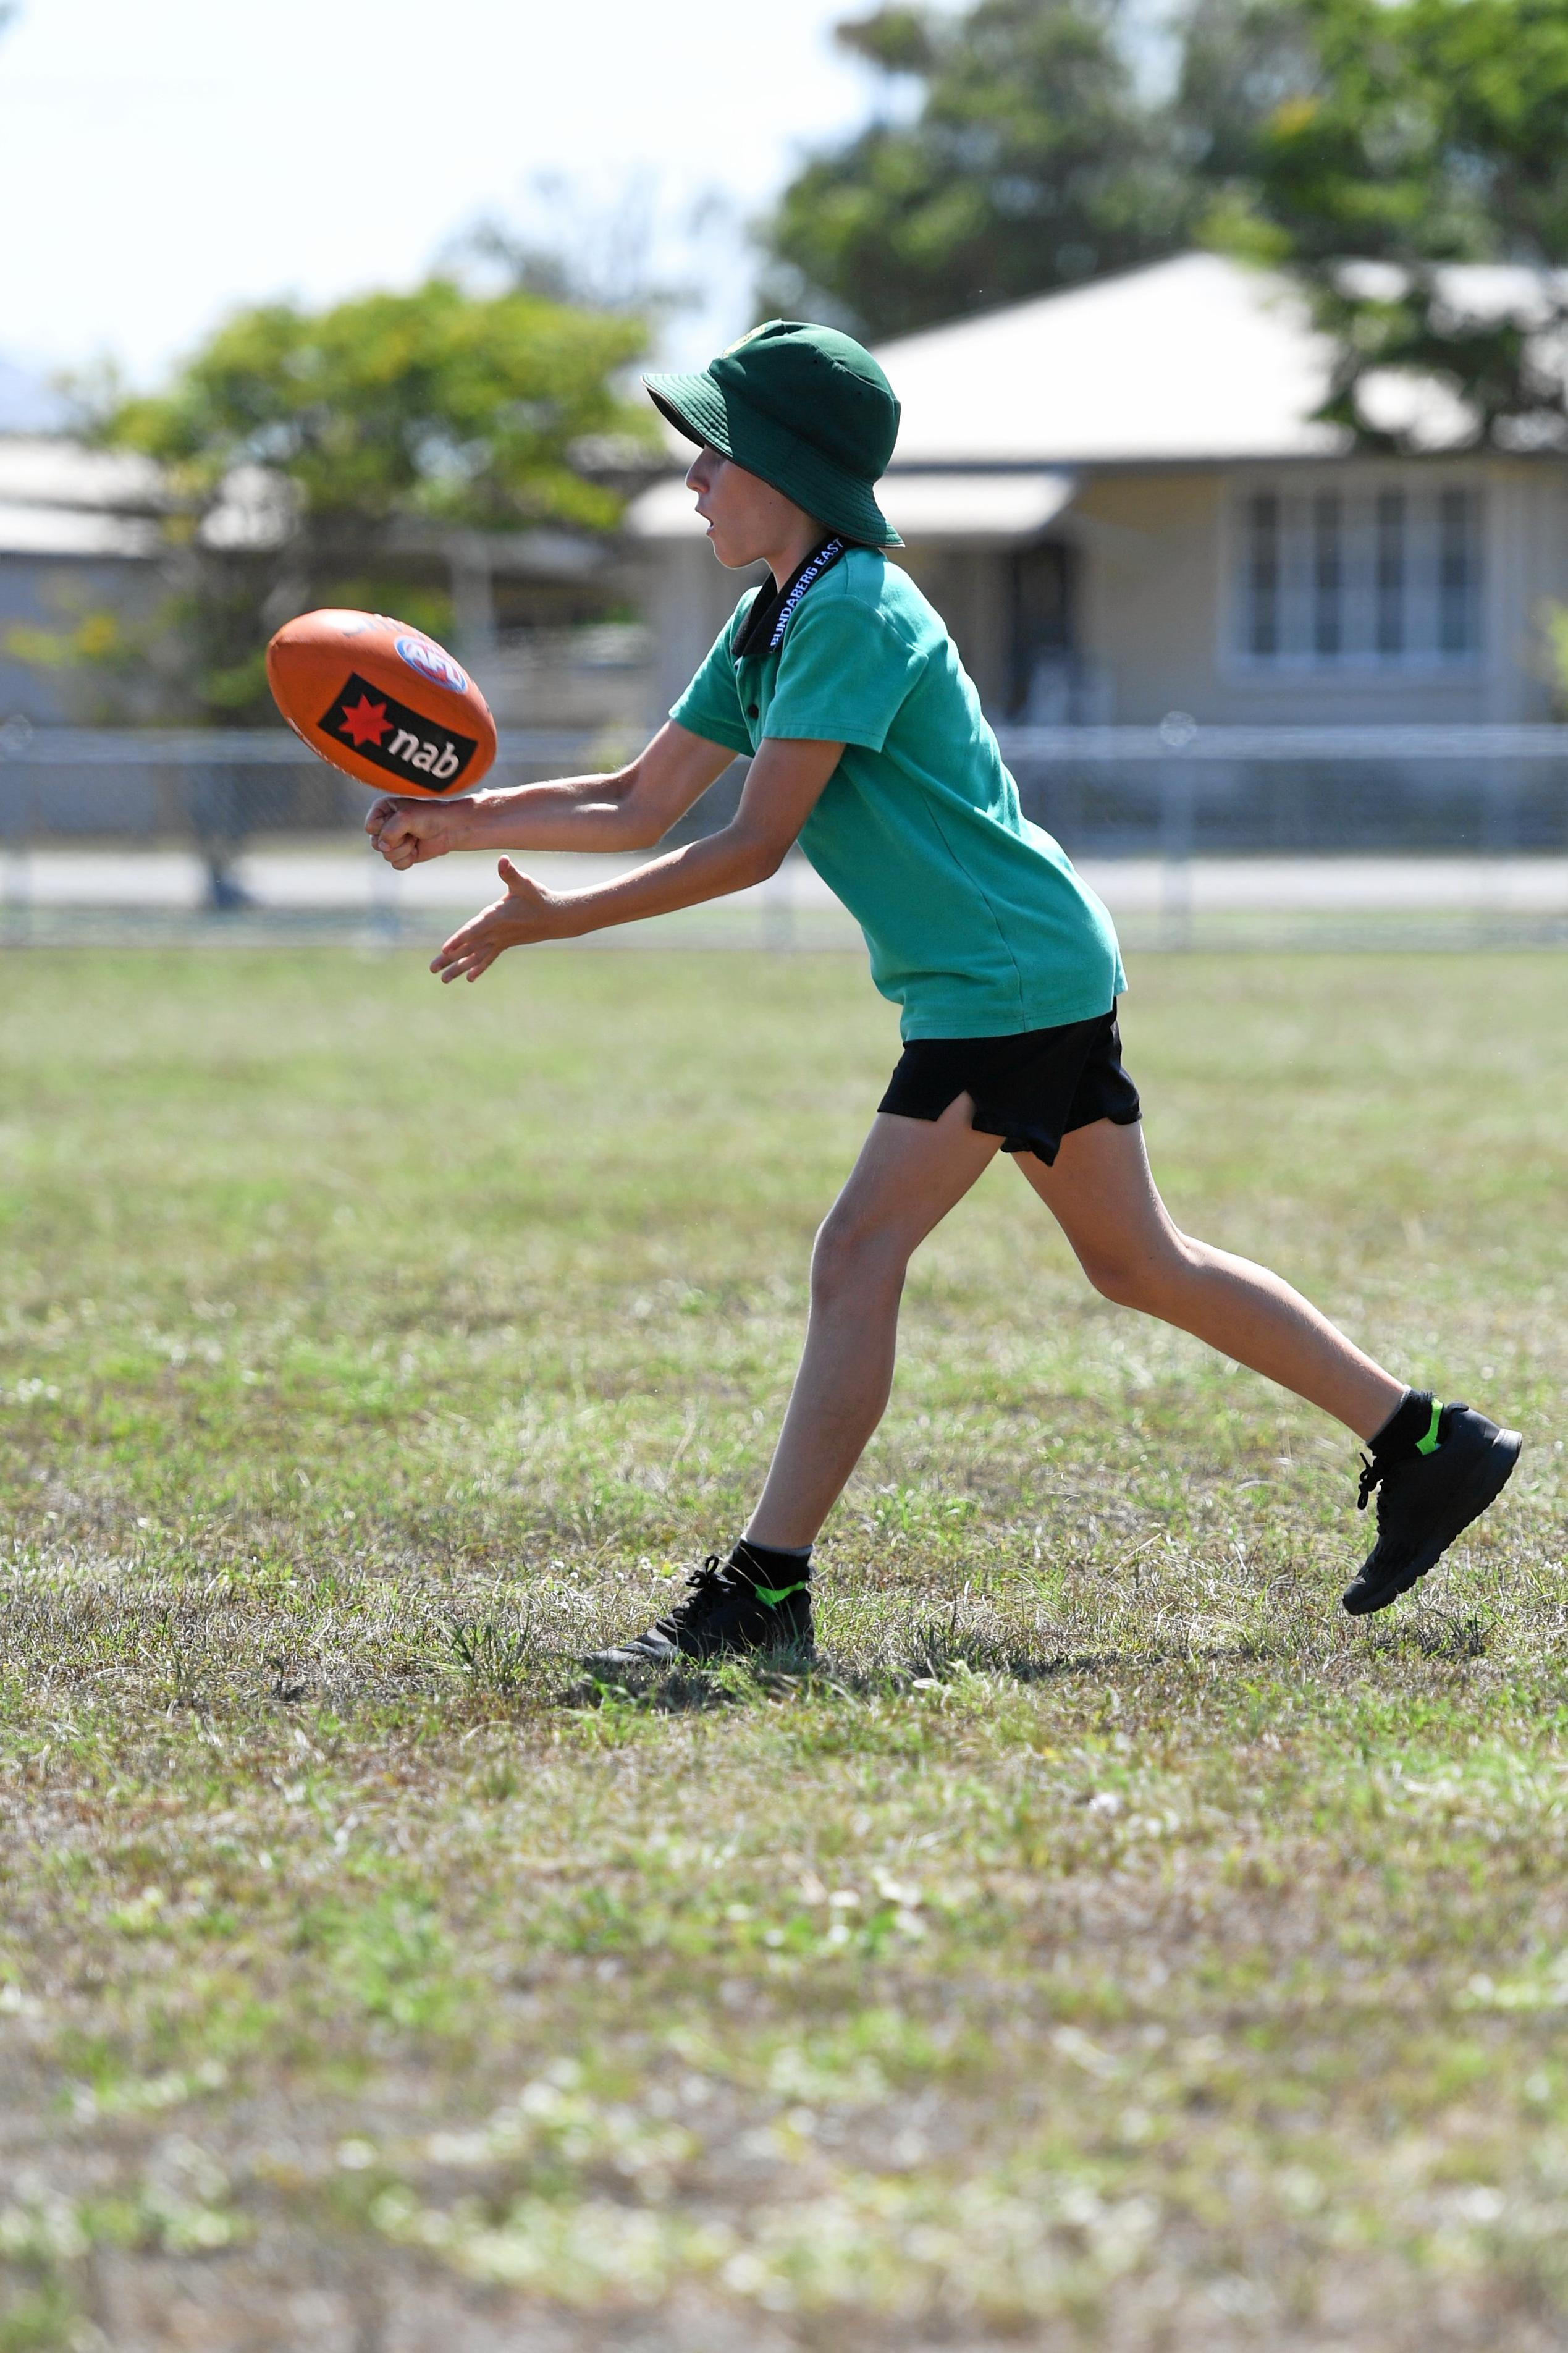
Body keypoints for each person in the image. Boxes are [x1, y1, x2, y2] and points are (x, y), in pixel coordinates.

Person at [365, 320, 1520, 1663]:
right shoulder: (776, 617)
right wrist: (458, 821)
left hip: (1003, 977)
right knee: (1137, 1260)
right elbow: (639, 796)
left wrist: (553, 920)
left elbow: (748, 844)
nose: (691, 481)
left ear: (786, 469)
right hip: (1017, 964)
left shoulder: (853, 609)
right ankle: (1427, 1441)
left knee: (858, 1252)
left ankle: (763, 1593)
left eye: (712, 455)